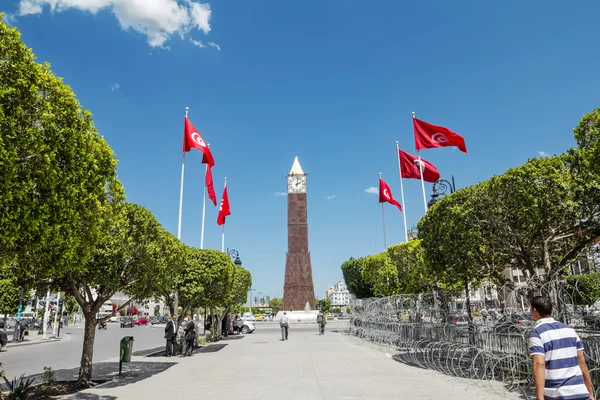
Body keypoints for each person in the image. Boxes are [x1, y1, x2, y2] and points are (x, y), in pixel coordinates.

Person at [529, 296, 594, 400]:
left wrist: (539, 397)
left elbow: (539, 364)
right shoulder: (569, 330)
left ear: (535, 311)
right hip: (579, 391)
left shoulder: (537, 332)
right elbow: (581, 361)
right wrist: (590, 392)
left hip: (556, 393)